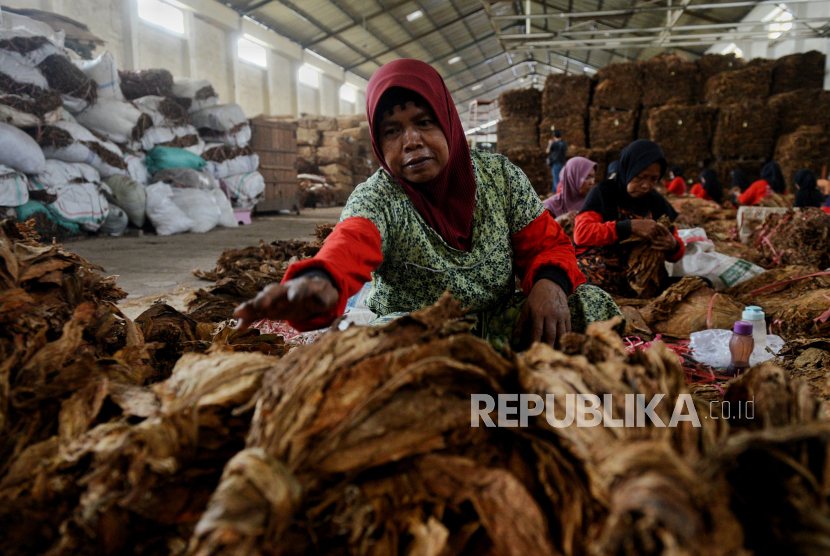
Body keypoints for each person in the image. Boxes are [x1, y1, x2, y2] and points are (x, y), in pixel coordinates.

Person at [234, 59, 621, 350]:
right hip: (421, 336)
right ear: (378, 143)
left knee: (590, 305)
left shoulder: (500, 177)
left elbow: (547, 243)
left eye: (424, 122)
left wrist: (549, 286)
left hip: (504, 324)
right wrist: (319, 281)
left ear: (449, 123)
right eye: (392, 131)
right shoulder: (379, 197)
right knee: (375, 349)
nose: (411, 141)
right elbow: (351, 241)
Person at [573, 140, 686, 297]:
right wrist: (628, 227)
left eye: (653, 179)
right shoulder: (603, 193)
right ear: (628, 169)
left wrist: (672, 246)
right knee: (587, 290)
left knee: (699, 284)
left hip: (640, 278)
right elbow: (581, 234)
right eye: (640, 177)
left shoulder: (656, 202)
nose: (646, 185)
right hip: (600, 269)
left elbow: (677, 251)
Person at [543, 156, 597, 228]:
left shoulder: (594, 204)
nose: (592, 182)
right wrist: (559, 220)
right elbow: (538, 233)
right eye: (587, 178)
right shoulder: (551, 206)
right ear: (572, 178)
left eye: (593, 177)